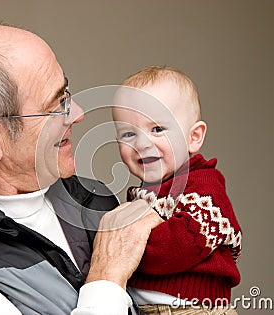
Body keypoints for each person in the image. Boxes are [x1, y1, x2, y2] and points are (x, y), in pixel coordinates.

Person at [0, 24, 163, 314]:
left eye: (66, 94)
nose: (78, 114)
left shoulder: (89, 197)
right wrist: (107, 278)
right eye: (56, 105)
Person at [112, 66, 242, 314]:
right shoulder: (146, 192)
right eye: (129, 133)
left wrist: (124, 246)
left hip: (193, 308)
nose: (142, 143)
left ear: (194, 137)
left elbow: (180, 245)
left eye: (157, 129)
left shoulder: (204, 186)